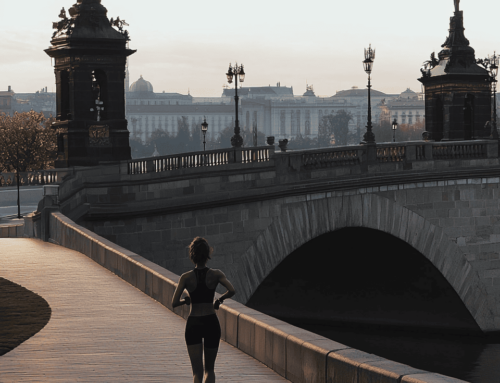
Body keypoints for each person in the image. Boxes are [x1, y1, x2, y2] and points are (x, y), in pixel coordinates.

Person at [172, 237, 236, 383]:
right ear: (207, 254)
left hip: (194, 322)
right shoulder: (216, 274)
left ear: (192, 255)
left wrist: (185, 300)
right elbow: (232, 290)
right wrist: (219, 300)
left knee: (197, 372)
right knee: (210, 370)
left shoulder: (186, 277)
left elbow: (174, 302)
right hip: (210, 322)